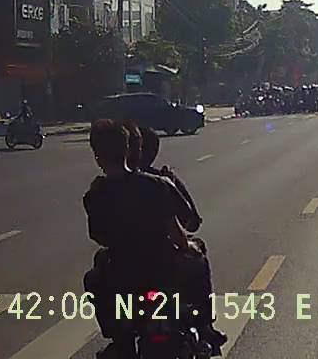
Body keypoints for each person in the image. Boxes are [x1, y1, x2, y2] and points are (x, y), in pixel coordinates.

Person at [83, 120, 225, 357]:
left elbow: (98, 236)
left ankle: (120, 339)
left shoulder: (96, 194)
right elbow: (177, 232)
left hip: (124, 272)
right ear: (128, 149)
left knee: (94, 278)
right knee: (198, 258)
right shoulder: (156, 184)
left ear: (97, 156)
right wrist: (188, 246)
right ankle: (205, 326)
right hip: (164, 268)